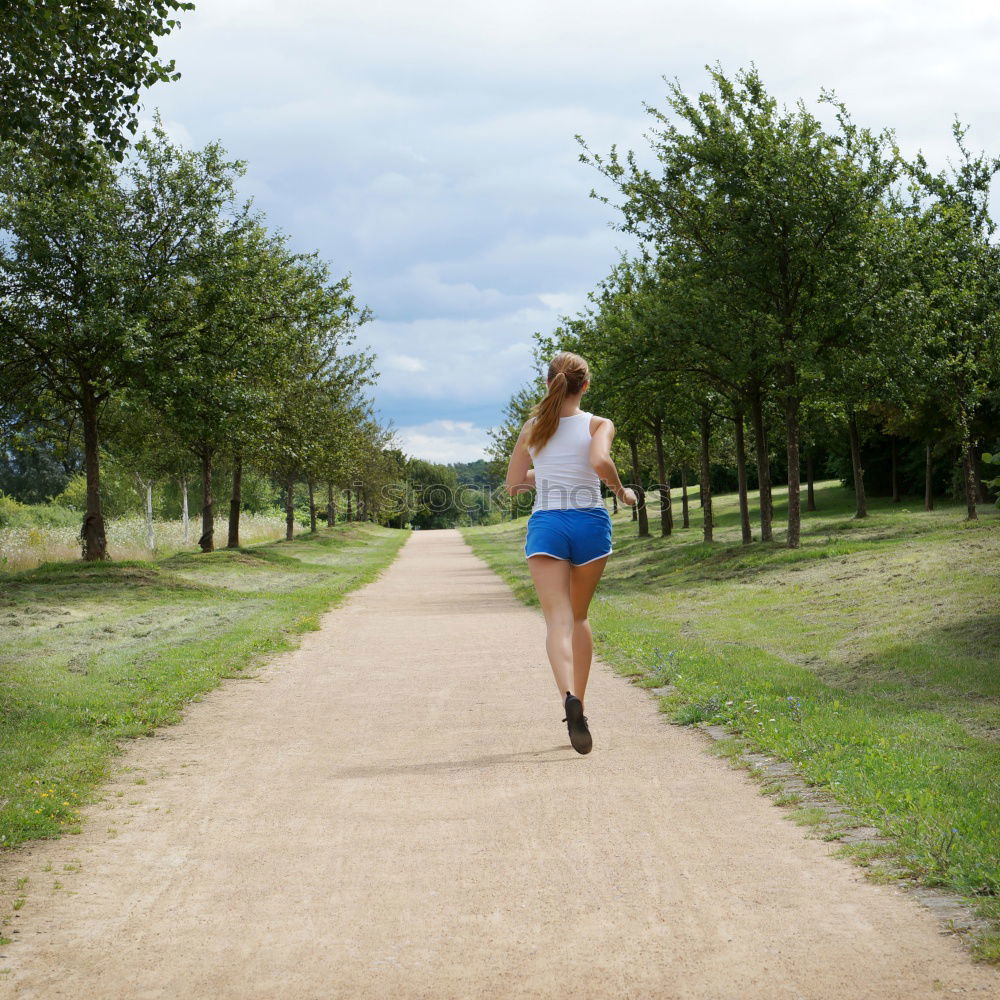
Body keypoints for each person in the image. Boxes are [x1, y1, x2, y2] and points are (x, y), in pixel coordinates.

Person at [504, 351, 637, 754]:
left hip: (548, 525)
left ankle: (568, 698)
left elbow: (513, 483)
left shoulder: (533, 427)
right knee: (579, 616)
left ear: (548, 384)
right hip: (590, 524)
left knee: (557, 621)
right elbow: (599, 460)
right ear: (586, 385)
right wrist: (622, 492)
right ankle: (581, 698)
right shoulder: (599, 424)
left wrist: (542, 474)